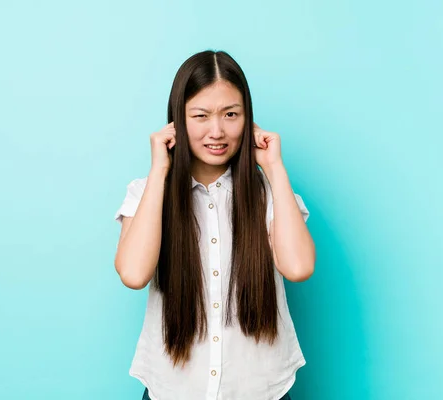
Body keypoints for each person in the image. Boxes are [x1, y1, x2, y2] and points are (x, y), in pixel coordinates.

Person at [113, 49, 316, 400]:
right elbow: (133, 274)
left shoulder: (269, 194)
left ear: (247, 118)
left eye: (231, 114)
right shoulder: (146, 193)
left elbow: (298, 267)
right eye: (201, 115)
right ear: (177, 120)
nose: (217, 131)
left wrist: (274, 168)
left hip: (261, 391)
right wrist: (161, 168)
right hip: (172, 391)